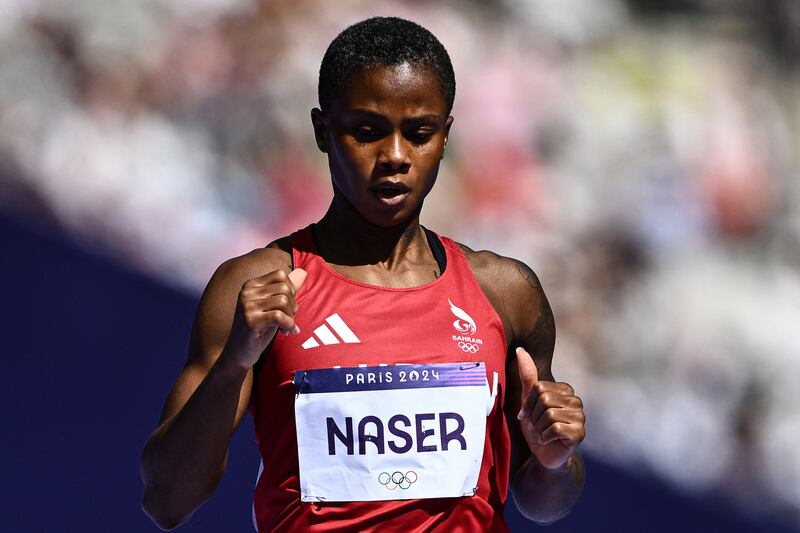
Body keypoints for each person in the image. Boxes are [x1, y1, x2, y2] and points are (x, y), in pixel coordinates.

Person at [140, 16, 586, 532]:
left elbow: (542, 502)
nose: (394, 157)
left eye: (418, 134)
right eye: (368, 132)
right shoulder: (260, 286)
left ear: (445, 136)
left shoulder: (506, 293)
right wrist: (234, 364)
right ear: (322, 131)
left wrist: (555, 461)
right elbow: (166, 501)